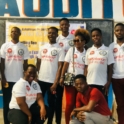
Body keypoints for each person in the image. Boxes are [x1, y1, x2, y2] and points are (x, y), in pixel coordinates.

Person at [60, 28, 90, 124]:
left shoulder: (88, 52)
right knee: (69, 104)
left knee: (79, 104)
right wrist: (61, 77)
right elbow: (65, 65)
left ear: (84, 42)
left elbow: (86, 67)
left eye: (78, 41)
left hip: (81, 84)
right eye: (74, 41)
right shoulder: (71, 50)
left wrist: (85, 81)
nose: (76, 42)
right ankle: (68, 122)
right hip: (70, 82)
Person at [0, 27, 29, 124]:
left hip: (19, 80)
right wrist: (3, 78)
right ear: (10, 34)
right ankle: (6, 122)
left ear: (19, 34)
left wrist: (26, 79)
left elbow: (25, 65)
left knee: (20, 102)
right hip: (7, 79)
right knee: (6, 102)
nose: (14, 33)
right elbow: (2, 63)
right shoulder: (5, 46)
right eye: (12, 31)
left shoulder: (23, 47)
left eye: (16, 31)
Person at [36, 27, 65, 124]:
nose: (51, 35)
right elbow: (38, 63)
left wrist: (55, 83)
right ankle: (38, 121)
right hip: (41, 80)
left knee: (55, 105)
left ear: (57, 35)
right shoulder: (42, 47)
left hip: (53, 82)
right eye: (49, 33)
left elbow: (60, 67)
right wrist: (37, 77)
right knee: (38, 102)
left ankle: (56, 122)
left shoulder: (60, 49)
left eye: (53, 33)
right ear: (47, 34)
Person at [84, 28, 114, 101]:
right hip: (89, 83)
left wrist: (108, 82)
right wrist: (85, 81)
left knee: (102, 106)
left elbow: (110, 68)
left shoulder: (108, 50)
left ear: (101, 36)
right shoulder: (88, 50)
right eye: (93, 36)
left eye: (97, 35)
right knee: (90, 105)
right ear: (91, 38)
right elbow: (86, 67)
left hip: (102, 84)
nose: (95, 37)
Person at [109, 23, 124, 124]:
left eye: (121, 30)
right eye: (117, 30)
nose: (119, 32)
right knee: (120, 103)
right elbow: (109, 64)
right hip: (115, 78)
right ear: (114, 32)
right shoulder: (111, 46)